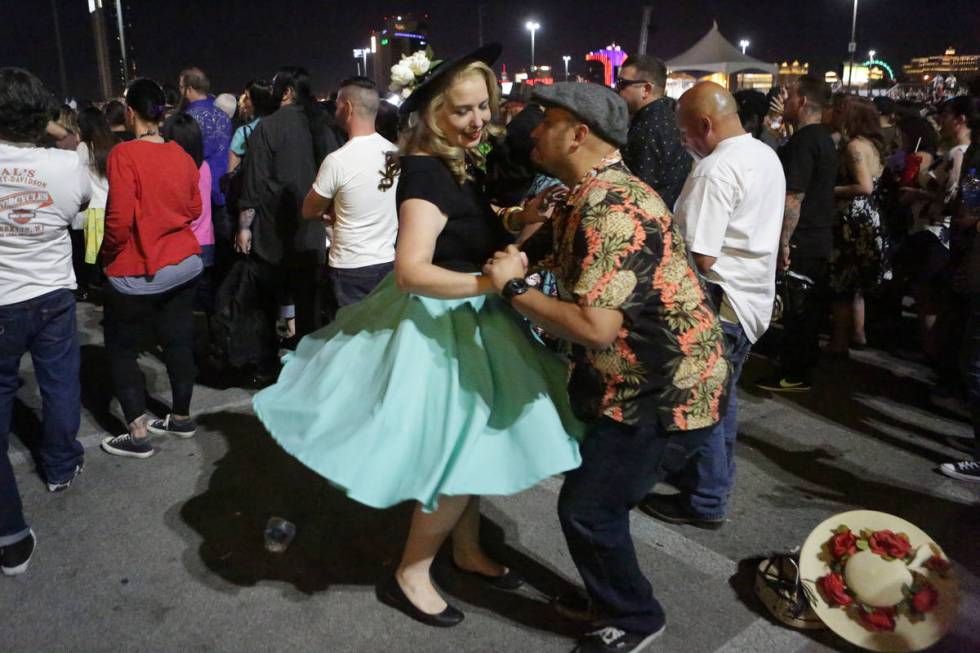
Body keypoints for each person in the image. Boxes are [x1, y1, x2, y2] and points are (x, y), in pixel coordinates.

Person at [252, 44, 582, 628]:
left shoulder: (461, 159)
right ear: (434, 114)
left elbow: (469, 220)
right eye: (463, 111)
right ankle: (412, 571)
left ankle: (466, 548)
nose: (479, 119)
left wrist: (515, 216)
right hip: (442, 330)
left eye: (484, 106)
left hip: (472, 322)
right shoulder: (428, 170)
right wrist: (491, 282)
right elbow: (411, 270)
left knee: (471, 453)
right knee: (455, 460)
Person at [487, 81, 729, 653]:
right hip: (635, 381)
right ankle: (609, 596)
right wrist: (508, 243)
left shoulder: (612, 207)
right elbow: (537, 244)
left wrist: (515, 289)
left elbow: (596, 326)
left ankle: (636, 617)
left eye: (546, 119)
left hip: (664, 389)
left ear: (578, 134)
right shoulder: (583, 193)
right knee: (593, 499)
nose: (533, 129)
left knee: (589, 509)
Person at [641, 82, 784, 529]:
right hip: (750, 299)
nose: (683, 142)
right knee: (722, 399)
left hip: (718, 302)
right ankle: (709, 484)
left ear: (705, 124)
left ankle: (706, 499)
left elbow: (699, 254)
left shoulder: (715, 169)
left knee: (701, 404)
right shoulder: (764, 154)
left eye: (685, 132)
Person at [0, 67, 91, 575]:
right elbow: (79, 202)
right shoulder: (65, 164)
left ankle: (10, 536)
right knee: (59, 385)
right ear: (41, 114)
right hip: (52, 293)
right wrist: (51, 128)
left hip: (2, 299)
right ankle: (59, 467)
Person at [99, 79, 203, 459]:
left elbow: (118, 222)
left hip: (138, 270)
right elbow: (194, 210)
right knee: (177, 340)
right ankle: (181, 417)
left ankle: (138, 433)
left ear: (130, 112)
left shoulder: (123, 155)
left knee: (122, 349)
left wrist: (108, 254)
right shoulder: (181, 154)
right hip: (185, 264)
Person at [236, 66, 334, 346]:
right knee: (309, 307)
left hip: (273, 230)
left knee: (269, 303)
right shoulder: (321, 125)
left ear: (288, 91)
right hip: (312, 231)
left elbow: (254, 183)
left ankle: (269, 362)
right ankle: (309, 361)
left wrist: (244, 227)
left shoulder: (268, 126)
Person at [756, 76, 838, 392]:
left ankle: (795, 373)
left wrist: (784, 241)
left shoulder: (806, 142)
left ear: (802, 101)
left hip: (803, 238)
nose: (783, 100)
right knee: (804, 311)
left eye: (788, 96)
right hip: (817, 235)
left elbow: (794, 195)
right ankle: (798, 367)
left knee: (798, 312)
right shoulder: (820, 138)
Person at [301, 76, 398, 308]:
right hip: (388, 260)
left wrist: (329, 212)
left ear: (347, 107)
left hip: (350, 266)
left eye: (337, 106)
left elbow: (308, 210)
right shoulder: (394, 153)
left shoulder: (338, 160)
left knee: (352, 337)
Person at [827, 97, 887, 355]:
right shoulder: (872, 145)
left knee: (841, 284)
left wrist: (829, 190)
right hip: (868, 217)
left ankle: (839, 342)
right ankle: (858, 333)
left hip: (852, 220)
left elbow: (864, 186)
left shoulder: (854, 147)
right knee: (856, 285)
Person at [616, 54, 692, 208]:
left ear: (646, 89)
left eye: (622, 84)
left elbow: (640, 190)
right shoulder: (668, 116)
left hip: (647, 220)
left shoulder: (649, 127)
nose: (618, 90)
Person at [162, 112, 216, 311]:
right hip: (206, 241)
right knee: (204, 301)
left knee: (183, 306)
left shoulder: (174, 171)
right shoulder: (205, 167)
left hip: (183, 245)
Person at [179, 67, 232, 212]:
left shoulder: (186, 119)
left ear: (189, 89)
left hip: (199, 193)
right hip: (223, 189)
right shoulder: (224, 116)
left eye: (181, 87)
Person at [75, 106, 115, 296]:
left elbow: (79, 178)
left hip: (93, 210)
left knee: (95, 259)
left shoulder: (83, 147)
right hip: (111, 207)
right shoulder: (112, 143)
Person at [226, 79, 276, 175]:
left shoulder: (243, 133)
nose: (243, 101)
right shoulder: (280, 125)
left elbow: (231, 172)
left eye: (247, 98)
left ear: (257, 102)